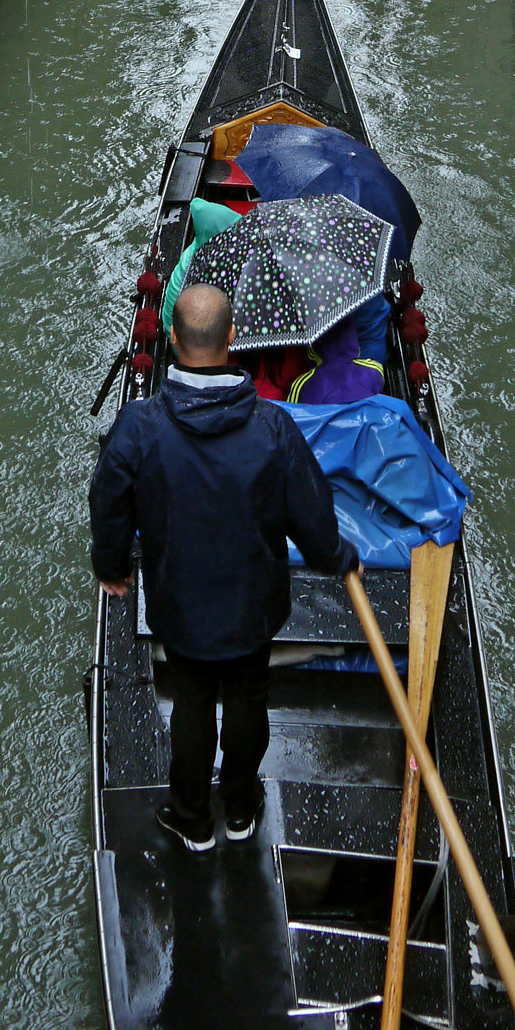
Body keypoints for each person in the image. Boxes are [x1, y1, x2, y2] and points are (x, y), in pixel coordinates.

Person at [90, 283, 359, 852]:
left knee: (192, 705)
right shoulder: (273, 428)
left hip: (181, 608)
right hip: (251, 607)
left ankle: (191, 818)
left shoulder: (138, 426)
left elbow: (108, 499)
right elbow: (313, 518)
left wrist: (111, 568)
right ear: (234, 338)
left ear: (171, 339)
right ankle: (240, 806)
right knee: (246, 701)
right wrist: (338, 560)